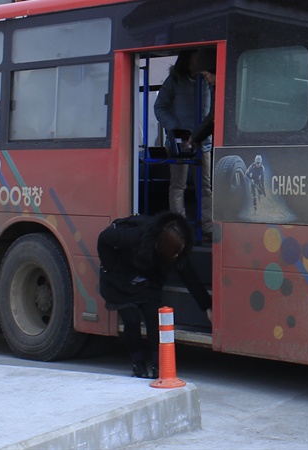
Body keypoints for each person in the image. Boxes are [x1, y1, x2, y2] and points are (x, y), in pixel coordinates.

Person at [97, 212, 212, 378]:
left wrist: (207, 306)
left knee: (154, 318)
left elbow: (189, 275)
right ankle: (138, 364)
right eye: (175, 253)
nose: (177, 256)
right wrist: (116, 271)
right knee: (132, 319)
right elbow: (104, 239)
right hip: (119, 280)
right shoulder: (134, 236)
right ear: (164, 247)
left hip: (148, 280)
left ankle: (158, 365)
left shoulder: (174, 247)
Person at [153, 50, 212, 234]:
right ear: (186, 61)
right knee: (178, 185)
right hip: (180, 141)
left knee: (206, 186)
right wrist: (176, 128)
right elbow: (159, 107)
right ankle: (179, 227)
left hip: (204, 140)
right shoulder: (174, 81)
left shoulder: (208, 80)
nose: (197, 62)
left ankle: (208, 226)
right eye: (194, 59)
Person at [186, 47, 217, 238]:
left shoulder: (220, 87)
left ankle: (208, 227)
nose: (205, 79)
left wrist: (193, 137)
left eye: (206, 75)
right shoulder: (215, 86)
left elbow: (212, 118)